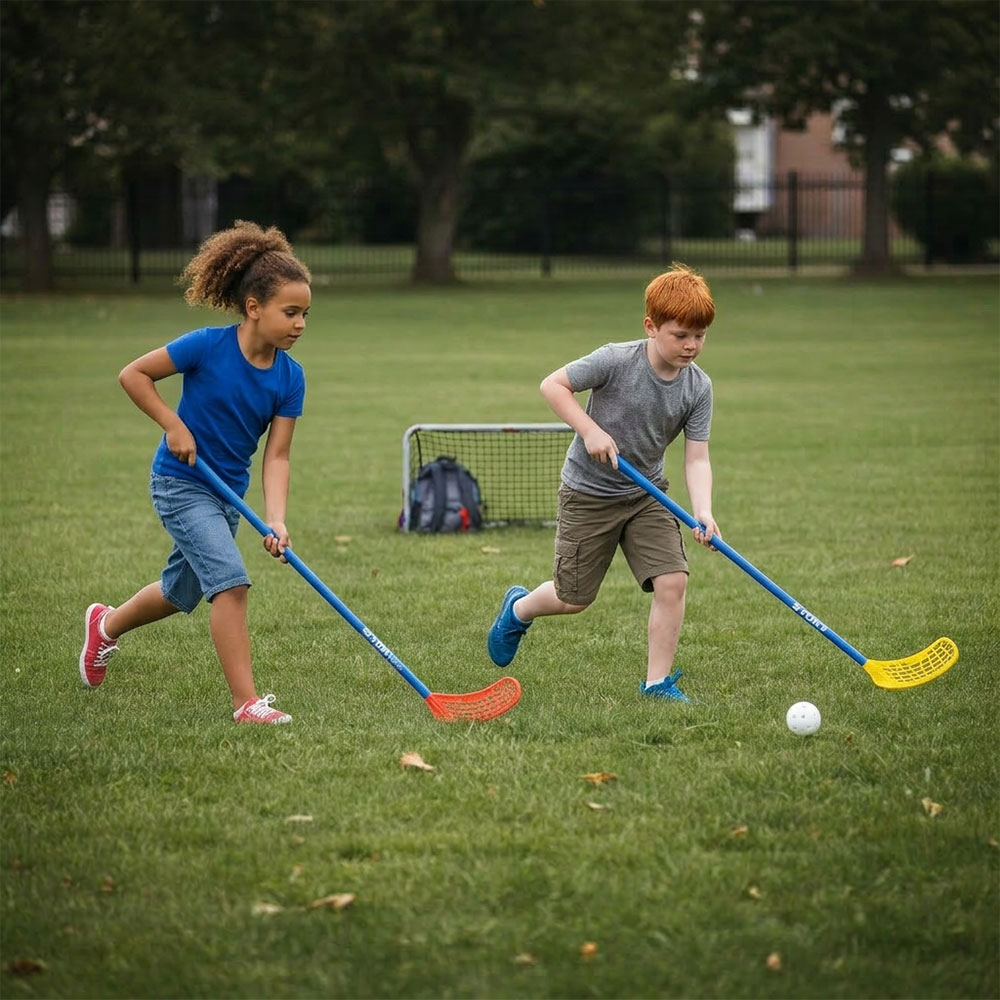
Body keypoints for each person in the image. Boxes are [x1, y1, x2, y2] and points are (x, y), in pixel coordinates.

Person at [78, 221, 311, 724]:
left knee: (179, 592)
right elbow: (133, 374)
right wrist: (173, 424)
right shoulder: (206, 346)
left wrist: (277, 519)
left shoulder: (291, 377)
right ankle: (247, 704)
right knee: (229, 584)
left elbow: (277, 456)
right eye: (290, 312)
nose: (300, 324)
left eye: (305, 314)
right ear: (254, 307)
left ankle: (106, 626)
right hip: (181, 484)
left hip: (228, 494)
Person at [488, 263, 719, 703]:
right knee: (573, 599)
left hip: (646, 494)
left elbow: (697, 456)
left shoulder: (698, 388)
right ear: (651, 327)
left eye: (700, 335)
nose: (691, 345)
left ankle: (656, 685)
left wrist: (703, 510)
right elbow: (553, 385)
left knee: (673, 581)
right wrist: (589, 429)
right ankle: (518, 610)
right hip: (589, 493)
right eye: (680, 335)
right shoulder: (616, 359)